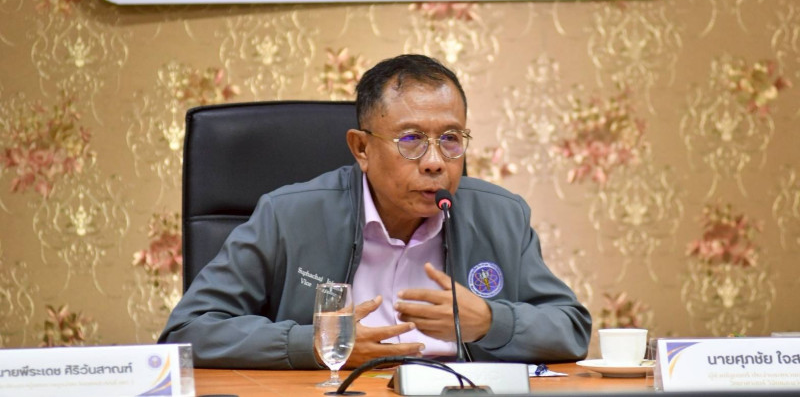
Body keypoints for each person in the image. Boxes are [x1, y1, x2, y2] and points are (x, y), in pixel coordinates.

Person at [159, 54, 591, 369]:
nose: (435, 161)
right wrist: (315, 344)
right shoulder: (287, 216)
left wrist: (491, 322)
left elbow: (570, 329)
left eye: (450, 138)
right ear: (362, 148)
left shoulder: (501, 216)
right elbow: (188, 332)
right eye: (411, 140)